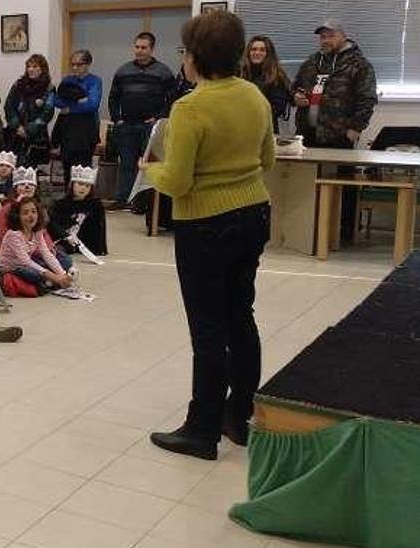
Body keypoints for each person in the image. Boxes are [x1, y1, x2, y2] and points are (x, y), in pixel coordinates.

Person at [141, 11, 274, 460]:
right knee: (241, 316)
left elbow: (177, 182)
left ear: (195, 58)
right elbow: (268, 158)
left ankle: (201, 430)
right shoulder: (254, 96)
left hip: (206, 225)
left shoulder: (190, 107)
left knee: (208, 328)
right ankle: (240, 417)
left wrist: (150, 169)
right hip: (253, 214)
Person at [292, 19, 377, 242]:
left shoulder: (359, 64)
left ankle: (345, 233)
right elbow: (296, 87)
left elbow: (367, 100)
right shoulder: (312, 62)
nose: (325, 40)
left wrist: (354, 129)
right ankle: (311, 232)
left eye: (329, 36)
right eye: (322, 36)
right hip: (309, 134)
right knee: (307, 184)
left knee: (343, 185)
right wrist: (297, 97)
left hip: (339, 135)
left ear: (342, 36)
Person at [108, 31, 175, 208]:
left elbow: (173, 99)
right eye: (137, 47)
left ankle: (142, 204)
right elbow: (113, 97)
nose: (139, 51)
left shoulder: (164, 72)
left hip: (150, 127)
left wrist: (159, 118)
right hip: (127, 126)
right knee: (127, 165)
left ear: (152, 49)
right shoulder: (123, 71)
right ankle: (123, 200)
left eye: (144, 48)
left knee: (147, 167)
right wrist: (117, 119)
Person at [0, 197, 72, 294]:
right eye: (25, 213)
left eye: (34, 212)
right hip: (12, 269)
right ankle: (46, 283)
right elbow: (25, 261)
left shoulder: (37, 231)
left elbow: (46, 254)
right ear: (17, 216)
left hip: (27, 265)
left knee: (64, 261)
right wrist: (54, 277)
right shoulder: (14, 234)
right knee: (34, 274)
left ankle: (47, 283)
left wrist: (62, 274)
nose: (31, 216)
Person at [53, 50, 103, 176]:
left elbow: (92, 104)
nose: (75, 67)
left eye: (79, 64)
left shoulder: (94, 81)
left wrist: (70, 108)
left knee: (83, 168)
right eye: (72, 64)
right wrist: (79, 99)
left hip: (86, 130)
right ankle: (68, 194)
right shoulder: (67, 80)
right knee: (67, 167)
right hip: (67, 129)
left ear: (88, 64)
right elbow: (56, 101)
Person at [4, 54, 56, 169]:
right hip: (15, 134)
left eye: (35, 66)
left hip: (37, 137)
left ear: (43, 69)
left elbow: (48, 113)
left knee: (32, 173)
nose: (31, 69)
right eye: (29, 66)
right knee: (12, 170)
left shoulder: (49, 88)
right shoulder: (18, 84)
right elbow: (9, 106)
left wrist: (28, 130)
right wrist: (18, 127)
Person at [52, 165, 108, 257]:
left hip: (84, 244)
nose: (83, 188)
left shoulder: (95, 205)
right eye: (80, 184)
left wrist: (100, 249)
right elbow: (55, 225)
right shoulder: (60, 204)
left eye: (87, 186)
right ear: (72, 184)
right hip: (64, 241)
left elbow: (100, 227)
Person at [241, 36, 290, 133]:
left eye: (262, 50)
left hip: (266, 130)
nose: (257, 53)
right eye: (253, 49)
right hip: (242, 129)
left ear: (268, 54)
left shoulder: (276, 77)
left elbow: (278, 108)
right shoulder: (240, 74)